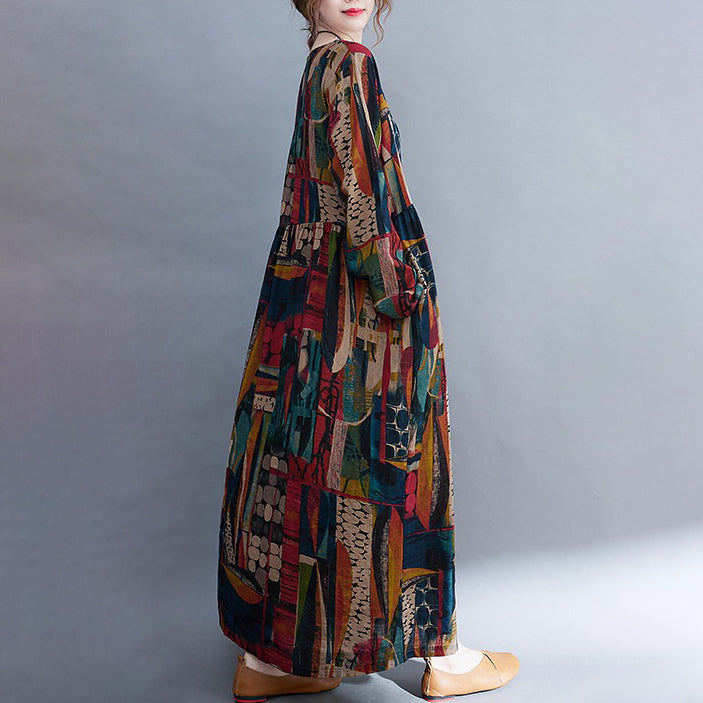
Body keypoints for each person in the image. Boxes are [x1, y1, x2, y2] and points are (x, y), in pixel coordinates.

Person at [218, 1, 520, 699]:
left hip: (303, 301)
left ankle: (271, 663)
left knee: (299, 466)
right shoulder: (350, 65)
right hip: (356, 310)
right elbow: (362, 200)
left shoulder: (315, 65)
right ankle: (443, 658)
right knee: (390, 470)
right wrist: (405, 293)